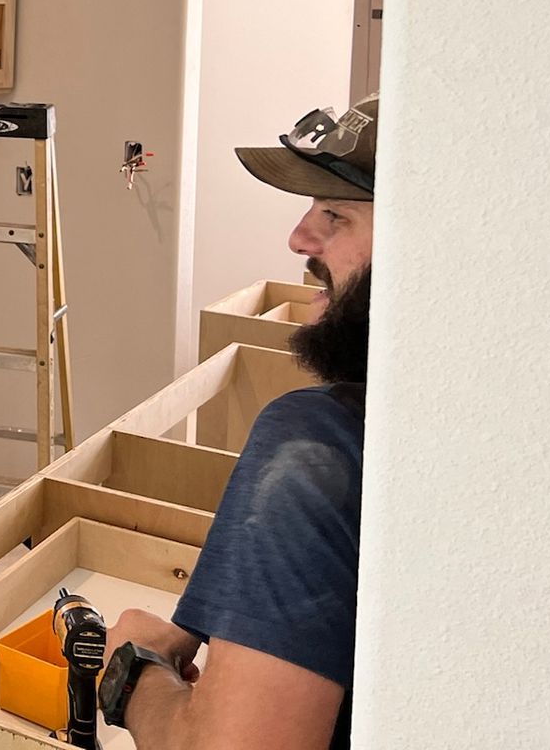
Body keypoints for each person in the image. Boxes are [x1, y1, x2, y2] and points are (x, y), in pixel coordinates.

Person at [102, 94, 378, 750]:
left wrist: (133, 673)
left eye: (335, 215)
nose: (299, 238)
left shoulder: (318, 444)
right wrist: (195, 622)